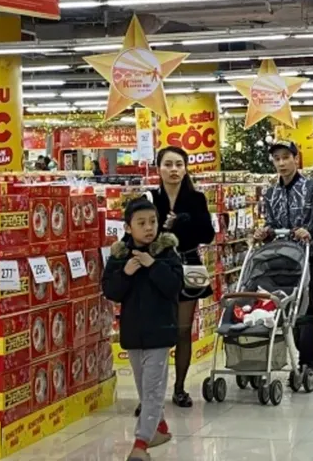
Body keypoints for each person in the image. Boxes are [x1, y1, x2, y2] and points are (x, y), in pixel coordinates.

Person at [102, 197, 184, 461]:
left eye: (153, 222)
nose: (149, 228)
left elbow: (175, 287)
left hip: (160, 332)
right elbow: (111, 291)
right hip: (133, 333)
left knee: (152, 389)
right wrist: (125, 273)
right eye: (141, 223)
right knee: (143, 387)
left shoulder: (167, 253)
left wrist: (153, 265)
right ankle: (159, 427)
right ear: (128, 227)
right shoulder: (119, 256)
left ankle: (140, 444)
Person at [253, 140, 313, 375]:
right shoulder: (271, 193)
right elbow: (271, 222)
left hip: (310, 257)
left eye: (285, 157)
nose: (281, 163)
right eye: (277, 159)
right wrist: (265, 232)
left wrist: (312, 232)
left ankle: (307, 361)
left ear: (295, 158)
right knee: (283, 306)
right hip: (281, 258)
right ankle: (280, 355)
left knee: (305, 308)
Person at [150, 146, 215, 408]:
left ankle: (179, 388)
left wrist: (187, 222)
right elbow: (138, 232)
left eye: (179, 164)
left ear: (186, 168)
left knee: (183, 330)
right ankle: (151, 392)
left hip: (189, 264)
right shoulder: (150, 198)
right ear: (159, 169)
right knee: (156, 331)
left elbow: (208, 235)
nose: (174, 170)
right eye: (168, 164)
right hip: (156, 266)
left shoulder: (196, 199)